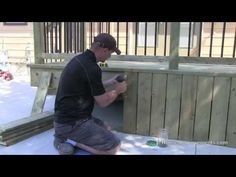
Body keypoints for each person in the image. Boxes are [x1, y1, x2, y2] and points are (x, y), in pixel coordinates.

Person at [53, 33, 127, 155]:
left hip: (71, 119)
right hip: (72, 123)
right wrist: (117, 91)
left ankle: (62, 137)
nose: (110, 56)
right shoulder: (92, 68)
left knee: (107, 128)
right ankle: (71, 141)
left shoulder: (80, 59)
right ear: (104, 50)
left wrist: (111, 82)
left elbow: (90, 87)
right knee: (114, 146)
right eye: (110, 53)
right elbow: (102, 102)